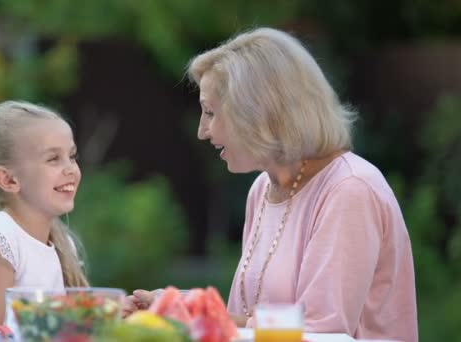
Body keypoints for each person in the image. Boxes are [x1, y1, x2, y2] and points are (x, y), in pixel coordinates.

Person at [127, 28, 418, 342]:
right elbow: (258, 323)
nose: (202, 131)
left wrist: (196, 314)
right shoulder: (263, 189)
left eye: (211, 112)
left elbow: (319, 329)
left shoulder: (350, 189)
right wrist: (183, 310)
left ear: (259, 112)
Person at [0, 100, 88, 332]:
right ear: (8, 180)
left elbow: (62, 330)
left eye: (72, 156)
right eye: (53, 159)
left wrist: (117, 314)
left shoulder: (62, 242)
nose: (70, 168)